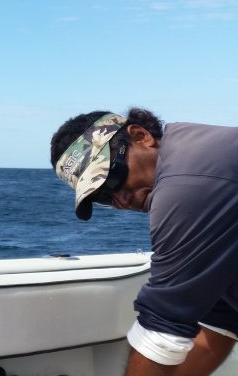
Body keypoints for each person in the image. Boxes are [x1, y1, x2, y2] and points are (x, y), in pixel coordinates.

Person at [50, 108, 238, 375]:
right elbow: (222, 320)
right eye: (102, 196)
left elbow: (163, 324)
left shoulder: (187, 185)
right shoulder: (199, 159)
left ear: (141, 136)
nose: (121, 200)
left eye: (111, 178)